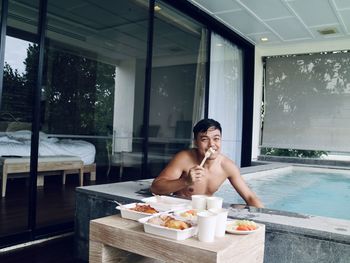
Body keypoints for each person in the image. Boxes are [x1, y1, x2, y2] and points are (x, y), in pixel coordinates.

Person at [151, 118, 264, 208]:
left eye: (216, 139)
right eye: (204, 139)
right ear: (196, 142)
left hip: (207, 214)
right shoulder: (184, 159)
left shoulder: (227, 166)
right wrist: (185, 181)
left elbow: (250, 197)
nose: (212, 144)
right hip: (180, 211)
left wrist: (266, 221)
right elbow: (155, 188)